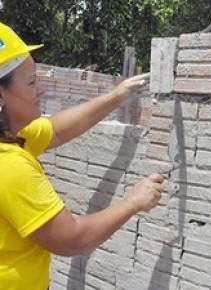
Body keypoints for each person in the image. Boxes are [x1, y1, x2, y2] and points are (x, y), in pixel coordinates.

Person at [0, 22, 164, 290]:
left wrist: (113, 98)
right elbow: (71, 239)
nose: (40, 90)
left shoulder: (13, 137)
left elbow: (55, 130)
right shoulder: (9, 166)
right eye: (31, 83)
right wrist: (134, 201)